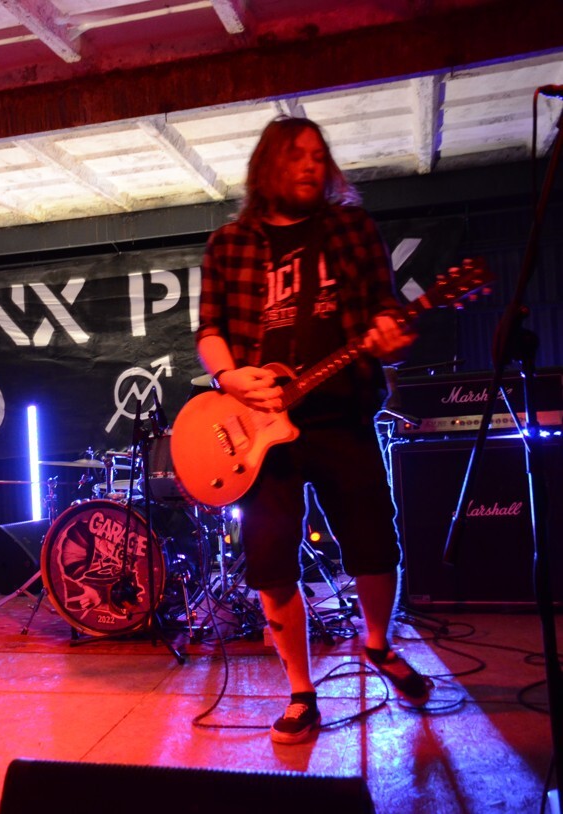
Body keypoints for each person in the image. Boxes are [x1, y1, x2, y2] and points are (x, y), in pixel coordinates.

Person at [195, 117, 431, 744]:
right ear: (267, 167)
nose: (310, 165)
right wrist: (229, 377)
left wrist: (393, 336)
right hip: (261, 429)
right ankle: (301, 691)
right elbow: (210, 330)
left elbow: (384, 313)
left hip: (342, 414)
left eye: (318, 156)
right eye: (296, 155)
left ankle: (378, 644)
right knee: (270, 560)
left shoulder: (351, 229)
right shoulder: (230, 244)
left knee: (375, 543)